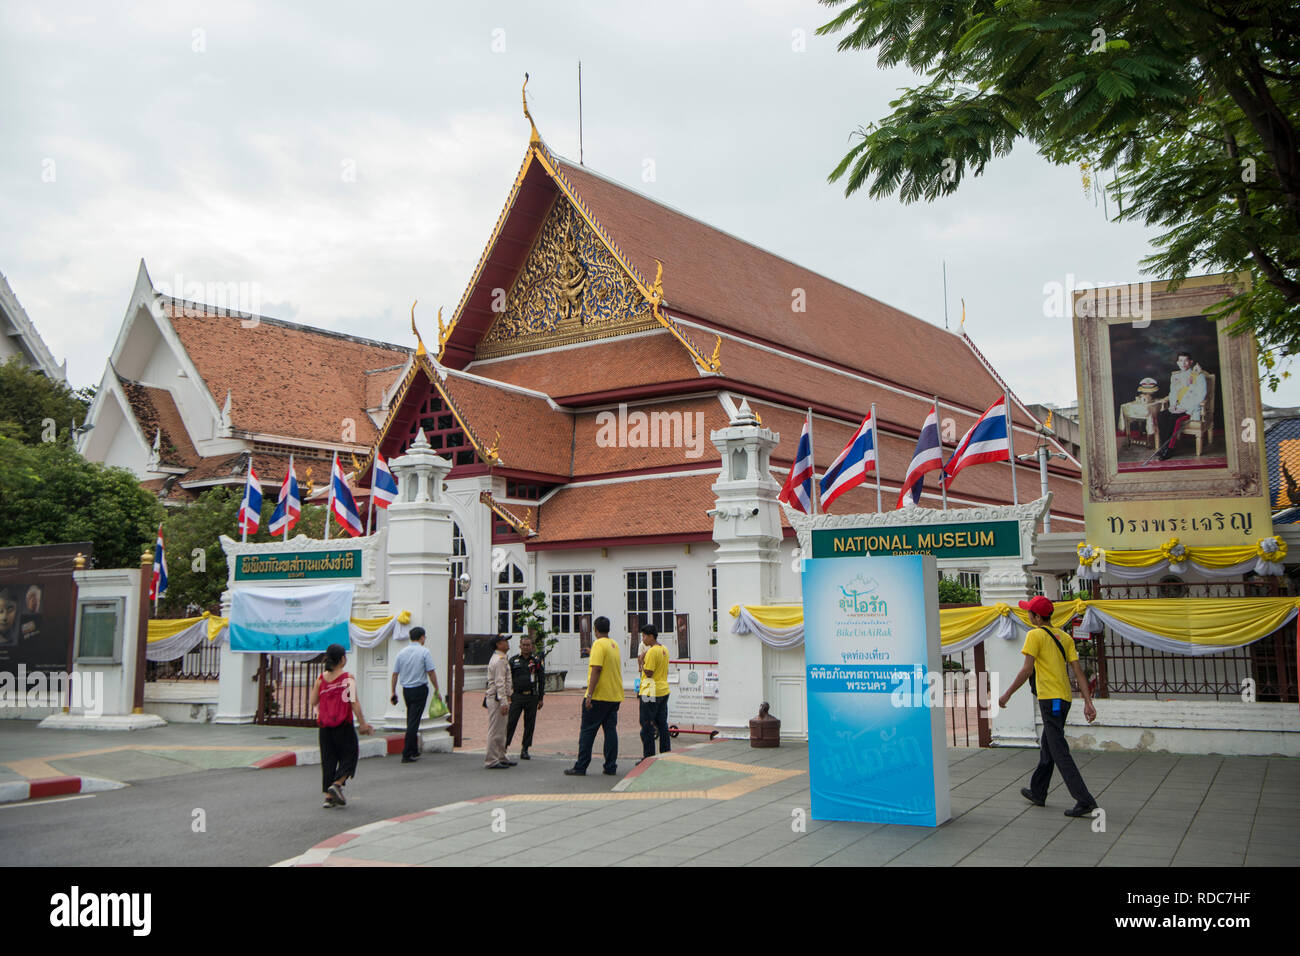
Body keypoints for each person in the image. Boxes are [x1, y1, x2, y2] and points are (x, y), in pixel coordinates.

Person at [998, 596, 1099, 818]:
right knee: (1049, 744)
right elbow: (1078, 672)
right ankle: (1038, 790)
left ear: (1036, 616)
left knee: (1059, 750)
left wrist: (1007, 694)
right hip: (1063, 700)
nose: (1028, 616)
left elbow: (1026, 670)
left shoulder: (1034, 635)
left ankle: (1084, 800)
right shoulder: (1064, 636)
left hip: (1050, 699)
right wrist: (1088, 702)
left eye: (1030, 613)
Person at [309, 643, 373, 809]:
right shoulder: (347, 679)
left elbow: (313, 701)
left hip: (325, 726)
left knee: (328, 760)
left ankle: (329, 798)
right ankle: (337, 784)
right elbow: (354, 702)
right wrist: (363, 723)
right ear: (342, 659)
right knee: (350, 755)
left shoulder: (320, 679)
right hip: (343, 725)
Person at [565, 616, 623, 776]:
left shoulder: (598, 644)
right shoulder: (614, 644)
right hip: (614, 694)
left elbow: (597, 669)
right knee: (610, 731)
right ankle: (611, 765)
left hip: (599, 696)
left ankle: (581, 765)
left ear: (595, 630)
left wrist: (589, 694)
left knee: (587, 731)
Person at [389, 625, 440, 763]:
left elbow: (395, 674)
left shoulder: (402, 652)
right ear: (422, 637)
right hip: (419, 688)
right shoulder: (424, 652)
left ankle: (413, 749)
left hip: (406, 690)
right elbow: (431, 672)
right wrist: (437, 688)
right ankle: (407, 752)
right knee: (414, 720)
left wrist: (393, 691)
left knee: (411, 717)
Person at [1154, 351, 1208, 460]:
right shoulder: (1175, 376)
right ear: (1177, 362)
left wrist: (1185, 408)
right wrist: (1173, 405)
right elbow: (1173, 393)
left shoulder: (1198, 376)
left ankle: (1169, 449)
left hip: (1190, 408)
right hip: (1177, 407)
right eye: (1181, 361)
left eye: (1186, 361)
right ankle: (1163, 447)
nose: (1183, 363)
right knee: (1161, 415)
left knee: (1174, 419)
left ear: (1191, 362)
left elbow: (1201, 396)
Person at [505, 634, 545, 760]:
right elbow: (507, 678)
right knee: (511, 722)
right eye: (524, 645)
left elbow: (541, 679)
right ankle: (504, 746)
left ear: (532, 646)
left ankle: (525, 748)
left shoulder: (536, 661)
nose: (526, 647)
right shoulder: (513, 660)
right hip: (517, 696)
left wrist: (540, 697)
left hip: (531, 696)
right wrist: (508, 695)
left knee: (529, 724)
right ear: (520, 646)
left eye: (528, 645)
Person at [638, 623, 671, 761]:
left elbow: (649, 672)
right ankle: (665, 752)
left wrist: (642, 662)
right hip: (663, 688)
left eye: (644, 636)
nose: (643, 639)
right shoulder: (664, 649)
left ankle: (648, 756)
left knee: (646, 723)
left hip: (650, 688)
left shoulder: (651, 652)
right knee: (662, 723)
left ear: (651, 636)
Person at [484, 634, 514, 769]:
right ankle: (491, 759)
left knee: (501, 729)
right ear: (498, 645)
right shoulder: (500, 659)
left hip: (498, 697)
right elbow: (499, 682)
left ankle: (501, 756)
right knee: (496, 729)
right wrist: (503, 701)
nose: (507, 643)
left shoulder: (500, 658)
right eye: (504, 641)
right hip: (497, 698)